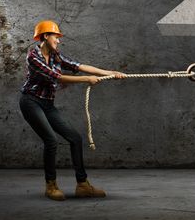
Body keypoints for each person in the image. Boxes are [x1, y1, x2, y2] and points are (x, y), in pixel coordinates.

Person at [19, 20, 127, 201]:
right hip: (31, 102)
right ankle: (51, 185)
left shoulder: (56, 56)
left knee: (75, 138)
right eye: (56, 37)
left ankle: (83, 185)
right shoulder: (33, 57)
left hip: (47, 104)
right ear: (46, 36)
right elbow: (58, 77)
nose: (59, 41)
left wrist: (109, 72)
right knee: (51, 140)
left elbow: (79, 66)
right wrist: (87, 80)